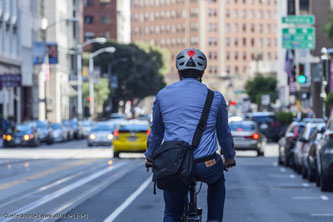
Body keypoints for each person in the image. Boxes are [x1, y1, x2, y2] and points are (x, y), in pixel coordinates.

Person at [145, 48, 236, 222]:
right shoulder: (215, 97)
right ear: (203, 72)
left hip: (174, 165)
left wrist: (150, 157)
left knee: (171, 213)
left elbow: (156, 133)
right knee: (217, 181)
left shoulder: (162, 95)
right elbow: (224, 133)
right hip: (206, 164)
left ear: (178, 71)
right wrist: (229, 157)